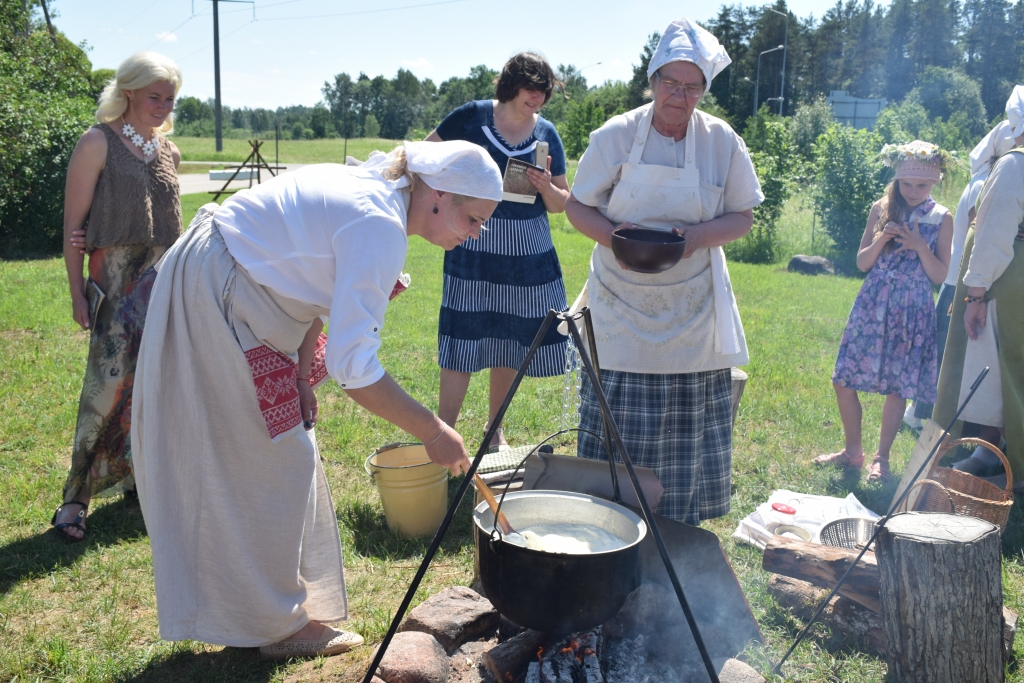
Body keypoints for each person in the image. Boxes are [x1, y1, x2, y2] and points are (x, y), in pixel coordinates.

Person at [130, 141, 502, 659]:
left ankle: (270, 612)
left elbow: (311, 283)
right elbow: (356, 370)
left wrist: (302, 374)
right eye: (473, 218)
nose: (475, 233)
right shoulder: (379, 224)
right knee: (269, 457)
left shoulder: (382, 197)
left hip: (232, 283)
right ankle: (275, 625)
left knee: (279, 451)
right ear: (438, 193)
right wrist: (433, 430)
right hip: (215, 289)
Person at [564, 18, 763, 526]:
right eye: (669, 84)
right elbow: (578, 207)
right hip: (619, 301)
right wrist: (615, 237)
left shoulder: (722, 141)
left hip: (692, 306)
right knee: (620, 424)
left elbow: (743, 215)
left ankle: (677, 530)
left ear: (703, 89)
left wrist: (693, 239)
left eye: (690, 86)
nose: (678, 95)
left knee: (685, 430)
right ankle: (609, 523)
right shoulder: (616, 135)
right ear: (652, 82)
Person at [52, 51, 183, 541]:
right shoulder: (97, 142)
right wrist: (76, 293)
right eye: (155, 96)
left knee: (156, 388)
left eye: (171, 98)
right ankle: (75, 498)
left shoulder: (171, 153)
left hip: (165, 284)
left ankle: (141, 482)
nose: (164, 106)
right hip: (115, 287)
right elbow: (73, 229)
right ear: (128, 92)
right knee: (105, 391)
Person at [425, 52, 570, 450]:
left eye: (544, 91)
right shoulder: (470, 118)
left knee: (508, 341)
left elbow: (561, 204)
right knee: (462, 338)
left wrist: (546, 187)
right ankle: (442, 433)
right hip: (471, 243)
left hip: (527, 255)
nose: (537, 98)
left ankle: (494, 433)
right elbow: (425, 158)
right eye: (531, 89)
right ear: (511, 84)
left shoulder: (547, 134)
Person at [815, 141, 954, 482]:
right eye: (906, 184)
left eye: (921, 185)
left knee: (897, 386)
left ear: (934, 182)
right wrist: (881, 238)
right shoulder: (881, 208)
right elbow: (862, 263)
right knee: (843, 378)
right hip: (873, 304)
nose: (913, 191)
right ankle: (852, 452)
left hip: (912, 308)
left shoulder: (942, 217)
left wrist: (920, 245)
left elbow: (940, 275)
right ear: (897, 180)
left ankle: (882, 458)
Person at [933, 85, 1024, 483]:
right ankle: (990, 451)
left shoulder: (1014, 166)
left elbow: (994, 236)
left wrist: (976, 293)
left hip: (1006, 285)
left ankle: (1015, 466)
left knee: (998, 370)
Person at [906, 120, 1016, 428]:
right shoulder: (988, 180)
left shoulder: (987, 176)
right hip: (962, 281)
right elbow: (979, 230)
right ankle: (924, 417)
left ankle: (927, 416)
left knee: (947, 357)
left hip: (961, 279)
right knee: (945, 358)